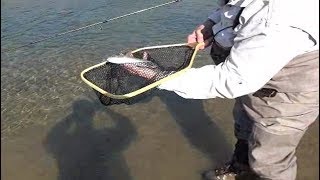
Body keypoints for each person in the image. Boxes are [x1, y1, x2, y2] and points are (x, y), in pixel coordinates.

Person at [154, 0, 319, 179]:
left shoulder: (278, 18)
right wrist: (211, 24)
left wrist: (158, 76)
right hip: (253, 78)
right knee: (244, 125)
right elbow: (234, 9)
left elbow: (231, 80)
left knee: (271, 157)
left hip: (287, 96)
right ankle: (240, 168)